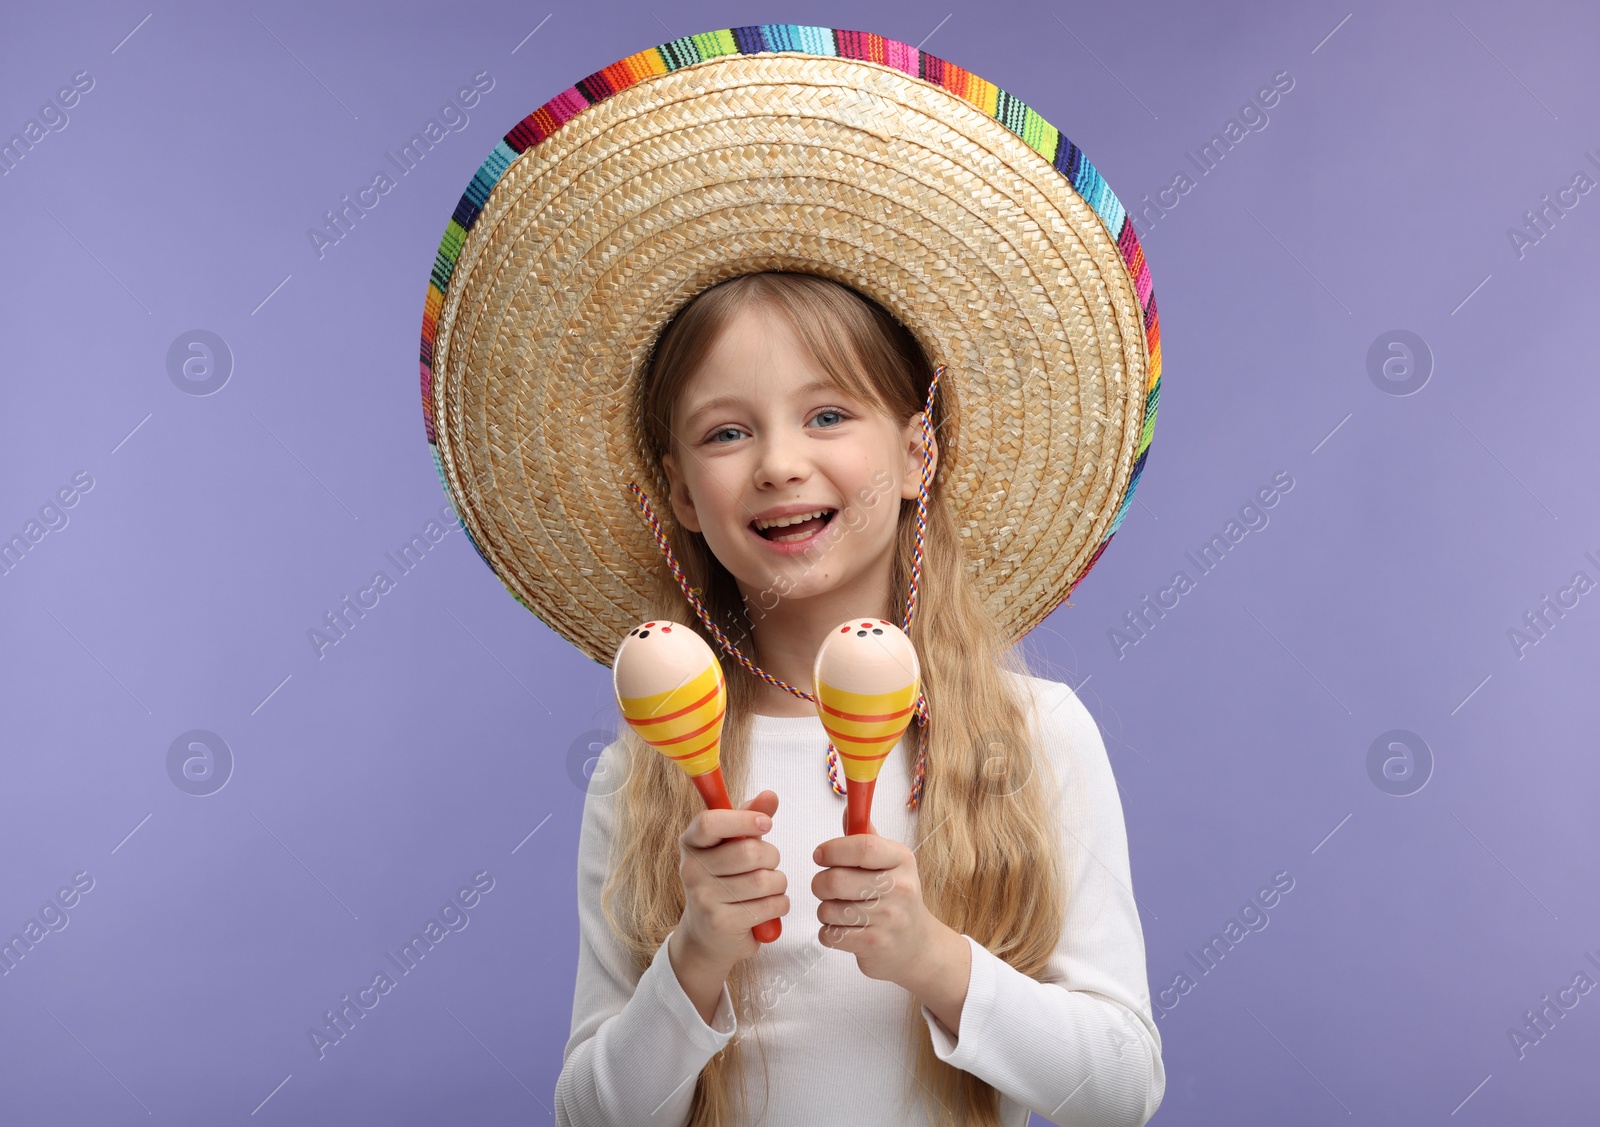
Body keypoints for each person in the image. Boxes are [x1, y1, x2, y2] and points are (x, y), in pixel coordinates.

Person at [417, 26, 1166, 1127]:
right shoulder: (644, 773)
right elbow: (591, 1111)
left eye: (828, 413)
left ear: (919, 452)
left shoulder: (1037, 733)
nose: (778, 462)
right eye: (725, 432)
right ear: (677, 492)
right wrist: (697, 955)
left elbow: (1119, 1090)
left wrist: (932, 957)